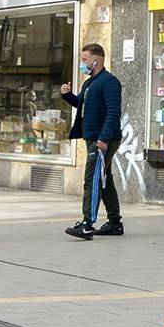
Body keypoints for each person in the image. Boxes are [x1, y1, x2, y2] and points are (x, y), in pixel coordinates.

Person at [61, 43, 122, 239]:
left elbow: (114, 112)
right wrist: (67, 95)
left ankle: (87, 224)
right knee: (104, 180)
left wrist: (103, 138)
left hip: (103, 139)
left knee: (92, 178)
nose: (82, 64)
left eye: (85, 60)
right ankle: (115, 222)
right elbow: (82, 104)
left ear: (96, 60)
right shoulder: (90, 83)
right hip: (93, 138)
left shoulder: (109, 82)